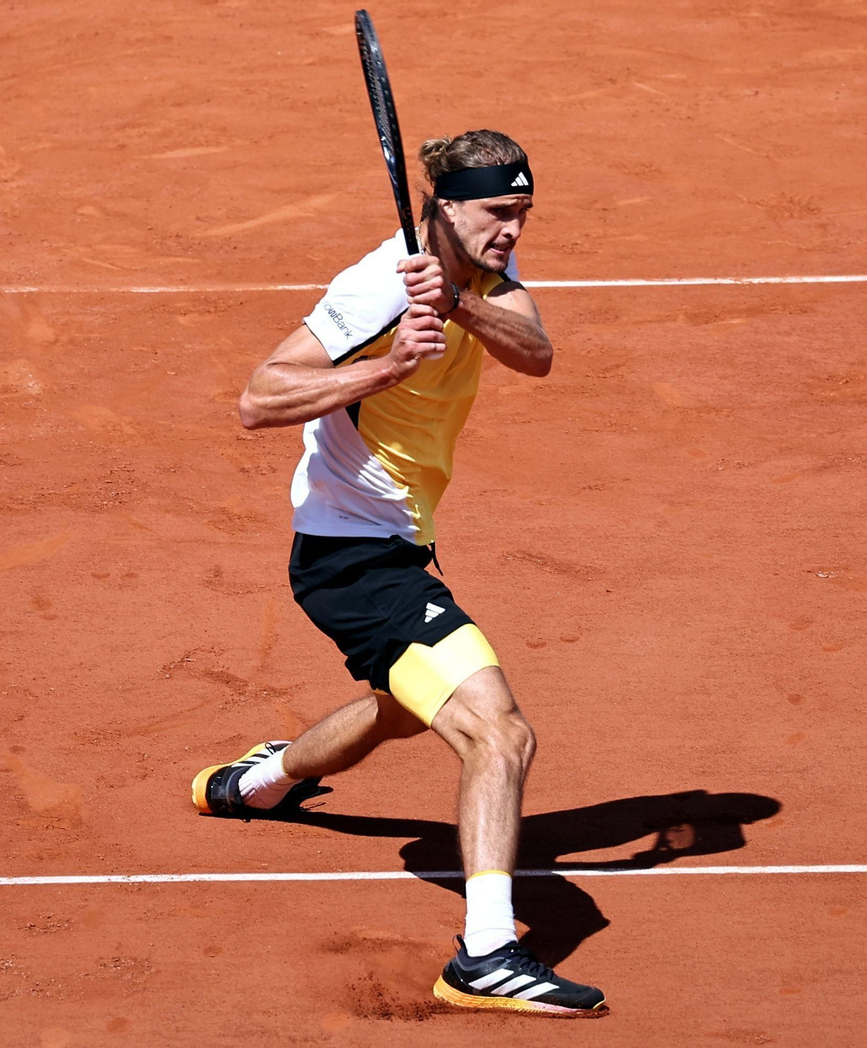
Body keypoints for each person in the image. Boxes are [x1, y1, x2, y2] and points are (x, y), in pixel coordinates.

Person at [189, 130, 606, 1018]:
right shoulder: (378, 284)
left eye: (523, 213)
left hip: (399, 541)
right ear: (446, 207)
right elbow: (258, 398)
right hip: (351, 555)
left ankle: (256, 783)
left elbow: (535, 354)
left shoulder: (475, 274)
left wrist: (456, 305)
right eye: (498, 212)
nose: (512, 229)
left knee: (403, 706)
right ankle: (486, 955)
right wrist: (388, 363)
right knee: (499, 734)